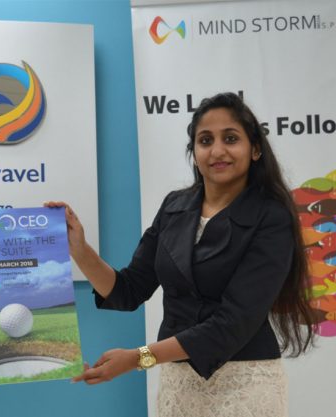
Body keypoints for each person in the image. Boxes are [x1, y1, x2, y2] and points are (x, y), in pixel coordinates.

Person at [46, 92, 315, 417]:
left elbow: (233, 323)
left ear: (255, 149)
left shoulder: (272, 216)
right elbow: (128, 290)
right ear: (194, 151)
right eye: (205, 140)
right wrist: (79, 249)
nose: (217, 151)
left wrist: (138, 358)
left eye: (231, 138)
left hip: (245, 383)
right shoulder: (175, 206)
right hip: (179, 384)